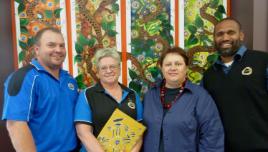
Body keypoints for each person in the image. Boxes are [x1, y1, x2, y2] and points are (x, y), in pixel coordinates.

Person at [2, 27, 79, 152]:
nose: (58, 50)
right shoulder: (23, 78)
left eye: (61, 45)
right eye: (51, 45)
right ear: (37, 50)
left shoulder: (70, 79)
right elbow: (15, 125)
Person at [202, 17, 268, 151]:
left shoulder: (263, 61)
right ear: (214, 39)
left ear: (241, 36)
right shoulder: (209, 75)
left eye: (231, 32)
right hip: (224, 148)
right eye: (219, 34)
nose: (225, 37)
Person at [143, 47, 224, 152]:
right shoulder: (150, 96)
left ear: (186, 68)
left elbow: (213, 136)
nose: (173, 68)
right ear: (161, 68)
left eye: (178, 64)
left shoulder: (200, 96)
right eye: (168, 64)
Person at [74, 48, 143, 152]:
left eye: (112, 67)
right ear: (97, 72)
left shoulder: (132, 95)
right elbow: (83, 133)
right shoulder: (87, 94)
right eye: (103, 68)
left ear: (119, 69)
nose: (109, 71)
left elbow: (139, 132)